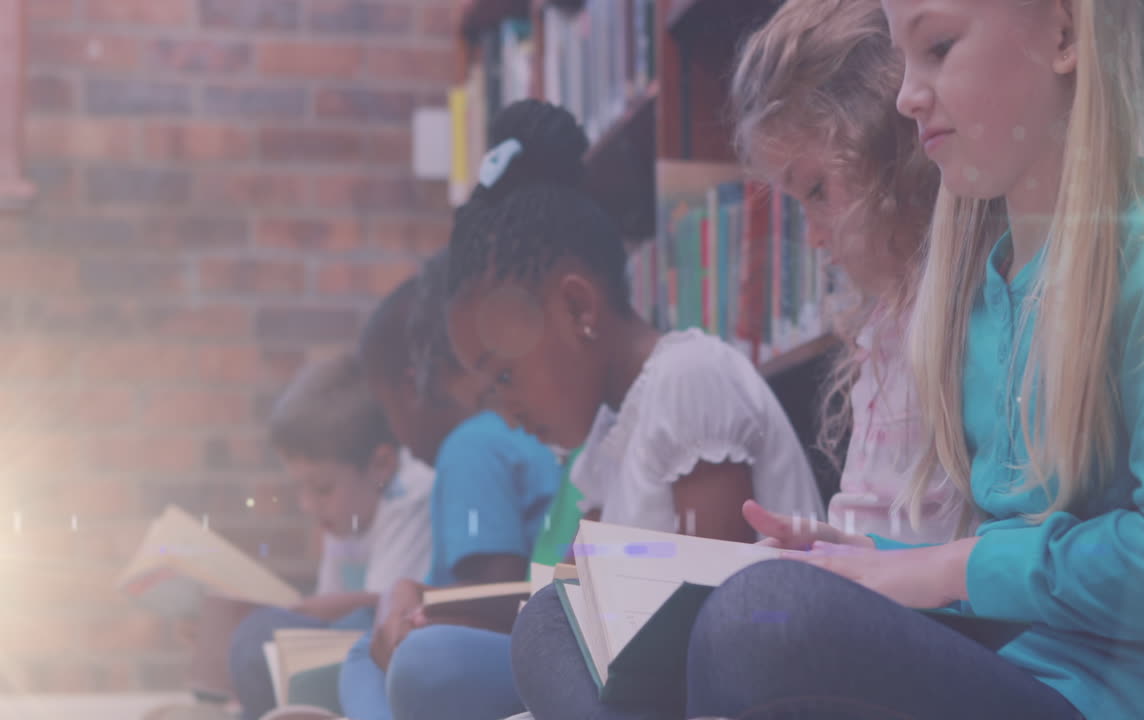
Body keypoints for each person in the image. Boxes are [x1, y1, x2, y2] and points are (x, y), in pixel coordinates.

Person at [682, 1, 1144, 718]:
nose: (907, 95)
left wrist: (946, 567)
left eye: (938, 46)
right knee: (570, 633)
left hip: (1122, 700)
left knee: (760, 620)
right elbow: (1001, 564)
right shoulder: (977, 289)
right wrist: (864, 559)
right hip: (1013, 664)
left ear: (1065, 33)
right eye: (904, 60)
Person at [450, 99, 825, 720]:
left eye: (506, 376)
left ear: (578, 309)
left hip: (724, 695)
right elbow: (573, 606)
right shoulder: (605, 441)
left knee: (514, 647)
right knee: (453, 660)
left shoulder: (690, 378)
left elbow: (699, 632)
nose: (509, 415)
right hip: (638, 688)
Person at [730, 0, 962, 543]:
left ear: (890, 147)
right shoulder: (882, 330)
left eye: (817, 191)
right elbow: (879, 532)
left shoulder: (970, 312)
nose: (812, 237)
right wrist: (832, 550)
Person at [338, 254, 560, 720]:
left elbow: (494, 582)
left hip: (518, 645)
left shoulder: (469, 448)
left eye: (387, 409)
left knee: (367, 655)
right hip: (539, 636)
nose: (395, 435)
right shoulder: (516, 434)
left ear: (413, 385)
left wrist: (421, 614)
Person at [228, 353, 434, 720]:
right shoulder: (347, 513)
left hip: (388, 659)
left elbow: (383, 612)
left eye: (322, 489)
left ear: (381, 465)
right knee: (255, 639)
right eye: (300, 489)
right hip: (349, 649)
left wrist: (299, 610)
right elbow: (330, 605)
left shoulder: (411, 498)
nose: (308, 505)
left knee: (262, 634)